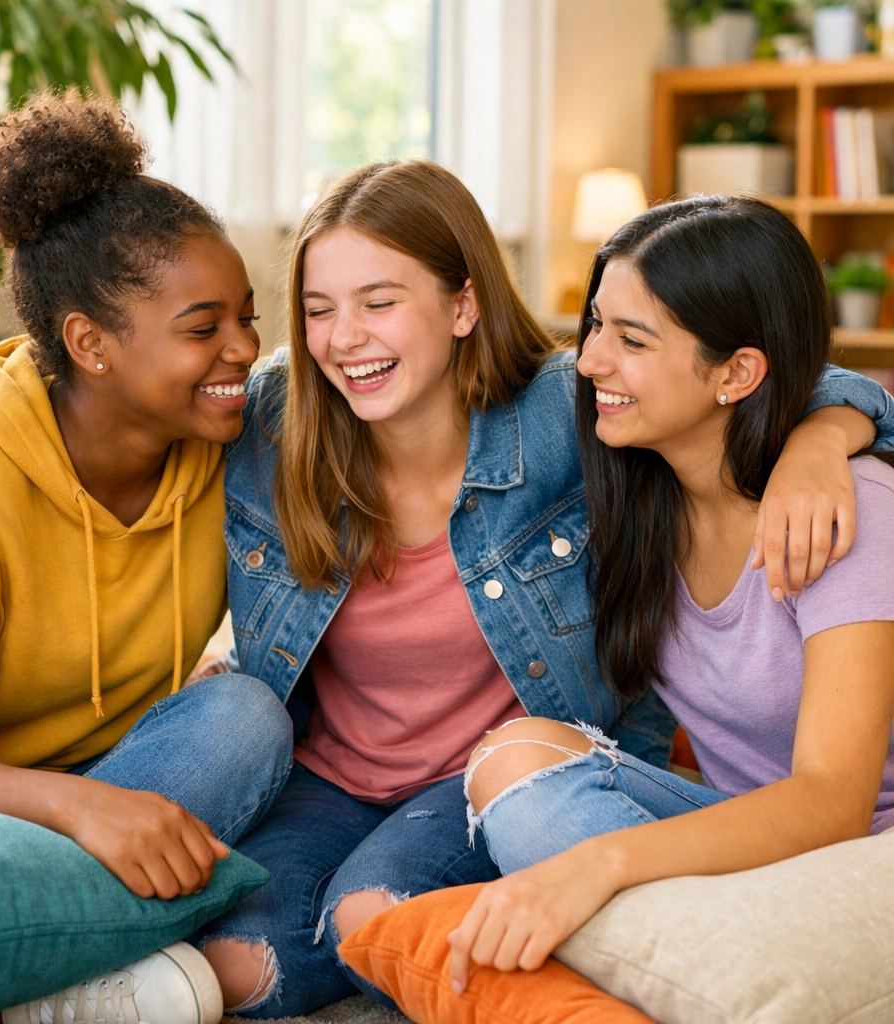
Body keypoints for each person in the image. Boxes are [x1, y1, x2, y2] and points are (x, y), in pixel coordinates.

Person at [194, 162, 894, 1017]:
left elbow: (786, 381)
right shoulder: (636, 475)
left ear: (464, 305)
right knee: (246, 969)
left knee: (430, 858)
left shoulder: (597, 428)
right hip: (645, 807)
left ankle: (646, 966)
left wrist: (824, 438)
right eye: (317, 309)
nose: (591, 360)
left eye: (378, 302)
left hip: (820, 841)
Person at [0, 92, 292, 1023]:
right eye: (203, 328)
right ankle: (67, 961)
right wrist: (75, 809)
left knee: (243, 720)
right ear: (90, 344)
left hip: (127, 773)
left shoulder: (225, 442)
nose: (245, 349)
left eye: (248, 317)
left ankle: (26, 968)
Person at [447, 195, 894, 995]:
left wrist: (602, 862)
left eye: (632, 339)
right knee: (514, 761)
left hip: (860, 863)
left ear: (737, 374)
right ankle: (692, 962)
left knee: (570, 872)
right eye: (595, 325)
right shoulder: (637, 490)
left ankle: (672, 962)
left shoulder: (844, 510)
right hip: (738, 849)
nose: (590, 361)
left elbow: (834, 805)